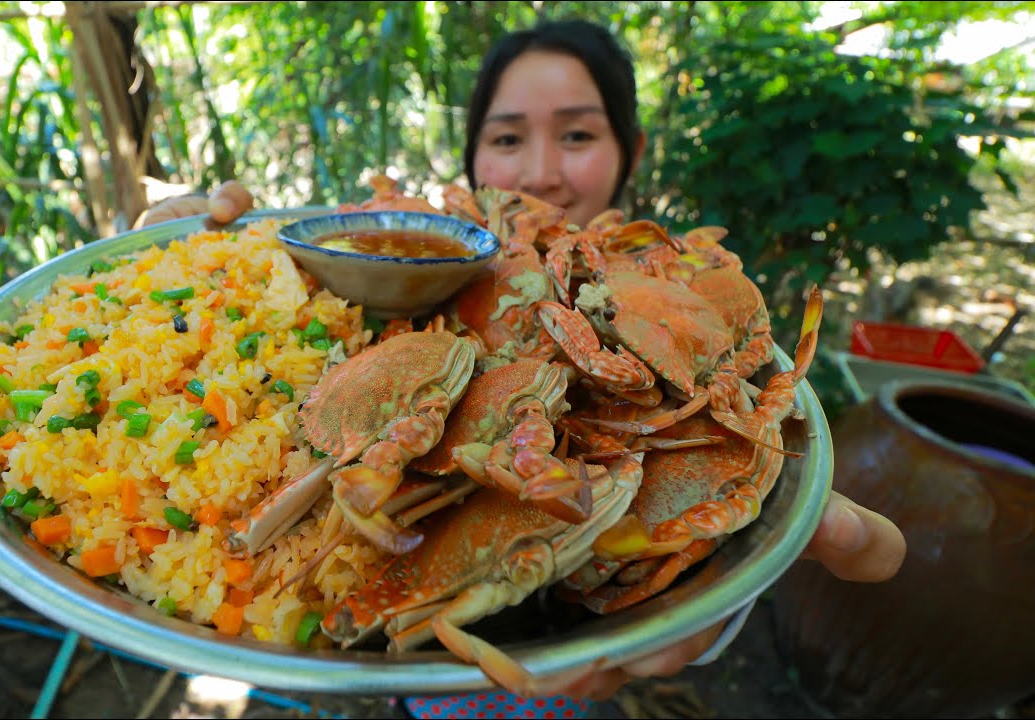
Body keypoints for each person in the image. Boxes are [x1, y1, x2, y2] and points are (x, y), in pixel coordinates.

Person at [136, 18, 907, 717]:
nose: (540, 171)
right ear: (470, 159)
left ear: (632, 150)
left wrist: (717, 591)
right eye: (507, 140)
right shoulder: (429, 277)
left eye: (576, 135)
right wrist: (203, 250)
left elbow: (798, 522)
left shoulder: (662, 284)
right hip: (423, 637)